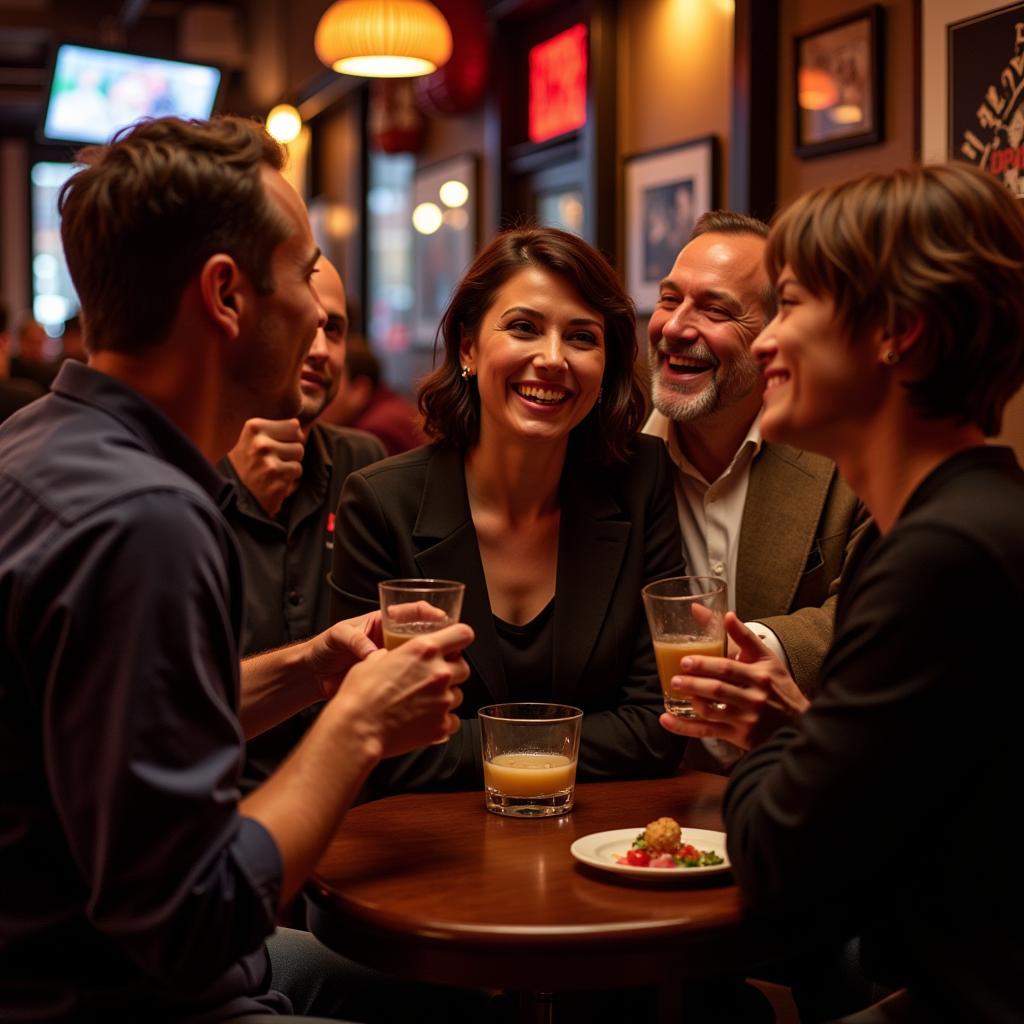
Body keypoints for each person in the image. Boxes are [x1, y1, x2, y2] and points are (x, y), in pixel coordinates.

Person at [0, 115, 477, 1022]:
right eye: (303, 272)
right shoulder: (144, 520)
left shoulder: (39, 440)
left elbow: (119, 726)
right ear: (226, 296)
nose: (315, 310)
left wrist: (312, 667)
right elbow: (193, 923)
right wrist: (356, 726)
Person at [663, 164, 1024, 1022]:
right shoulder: (967, 518)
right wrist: (805, 737)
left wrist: (770, 743)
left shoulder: (942, 556)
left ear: (901, 333)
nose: (763, 343)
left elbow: (779, 855)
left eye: (788, 304)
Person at [329, 226, 688, 796]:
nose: (551, 359)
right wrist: (561, 748)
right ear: (468, 346)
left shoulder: (641, 478)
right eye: (523, 327)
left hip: (600, 847)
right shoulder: (381, 503)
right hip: (428, 854)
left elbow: (659, 726)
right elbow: (366, 742)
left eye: (581, 337)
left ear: (607, 363)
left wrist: (473, 749)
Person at [642, 209, 868, 770]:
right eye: (670, 300)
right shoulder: (612, 461)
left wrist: (752, 650)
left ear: (774, 337)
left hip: (806, 787)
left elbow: (875, 613)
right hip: (648, 800)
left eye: (715, 309)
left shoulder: (845, 454)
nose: (674, 327)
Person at [220, 254, 386, 793]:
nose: (318, 349)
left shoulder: (364, 463)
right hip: (217, 814)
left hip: (357, 803)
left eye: (333, 329)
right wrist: (228, 488)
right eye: (303, 321)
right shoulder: (177, 475)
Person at [321, 334, 426, 455]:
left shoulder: (373, 434)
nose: (320, 397)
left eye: (328, 384)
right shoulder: (393, 408)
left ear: (359, 390)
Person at [0, 302, 44, 423]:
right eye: (31, 342)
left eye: (39, 342)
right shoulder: (26, 399)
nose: (35, 348)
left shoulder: (51, 373)